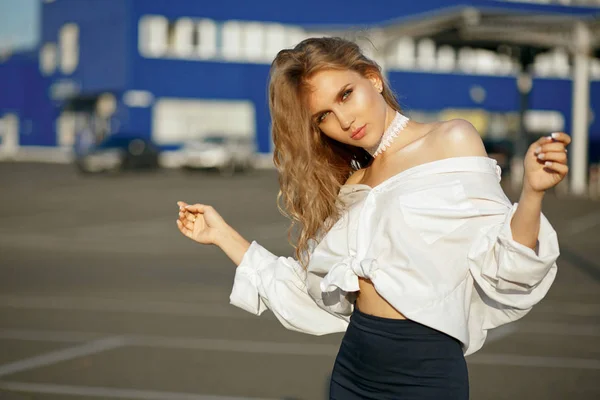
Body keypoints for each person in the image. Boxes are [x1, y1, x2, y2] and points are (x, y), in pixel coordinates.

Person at [176, 37, 569, 399]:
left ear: (373, 78)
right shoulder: (353, 185)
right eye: (324, 116)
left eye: (346, 95)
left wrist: (532, 193)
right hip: (354, 367)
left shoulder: (451, 140)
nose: (343, 120)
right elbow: (308, 290)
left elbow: (503, 264)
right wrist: (223, 235)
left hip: (426, 370)